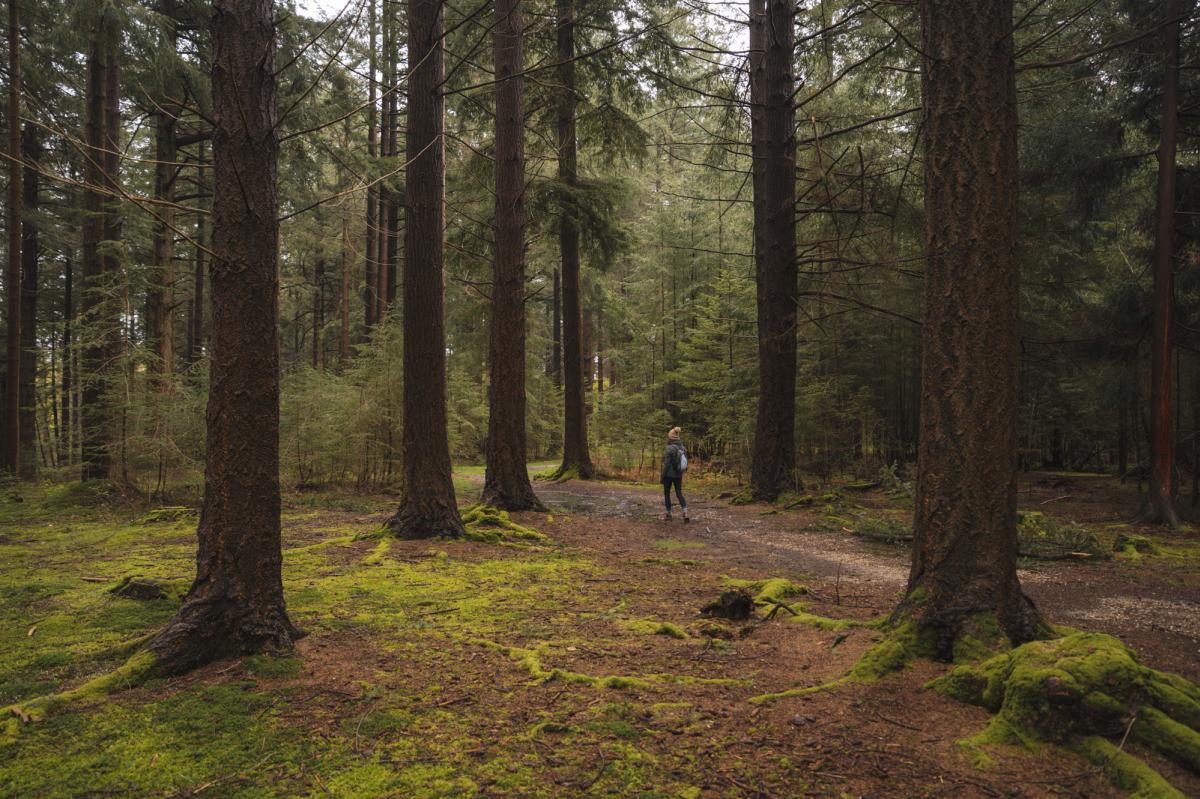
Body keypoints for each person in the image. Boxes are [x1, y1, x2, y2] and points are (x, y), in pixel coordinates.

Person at [661, 426, 689, 522]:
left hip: (668, 475)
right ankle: (685, 512)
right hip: (679, 474)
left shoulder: (669, 448)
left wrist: (663, 476)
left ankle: (669, 514)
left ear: (670, 437)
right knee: (679, 493)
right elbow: (686, 462)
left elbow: (667, 464)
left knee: (667, 494)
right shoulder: (683, 448)